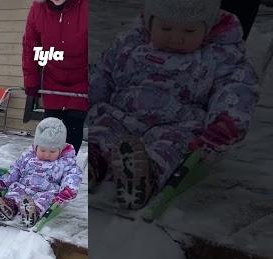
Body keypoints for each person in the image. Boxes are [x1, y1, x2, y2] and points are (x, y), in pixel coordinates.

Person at [88, 0, 259, 209]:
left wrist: (225, 123)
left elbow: (236, 88)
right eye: (166, 28)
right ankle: (92, 163)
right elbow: (104, 72)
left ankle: (144, 176)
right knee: (100, 131)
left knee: (171, 147)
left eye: (189, 30)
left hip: (177, 124)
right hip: (120, 114)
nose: (176, 38)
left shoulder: (220, 54)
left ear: (207, 27)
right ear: (150, 22)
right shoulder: (132, 42)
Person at [0, 117, 82, 227]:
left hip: (47, 191)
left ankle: (33, 213)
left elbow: (73, 176)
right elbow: (16, 169)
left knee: (46, 199)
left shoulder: (65, 162)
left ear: (60, 150)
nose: (47, 154)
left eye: (52, 151)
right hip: (24, 187)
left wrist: (67, 190)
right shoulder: (28, 156)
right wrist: (4, 182)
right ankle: (8, 207)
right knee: (15, 191)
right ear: (36, 146)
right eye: (42, 150)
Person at [22, 0, 88, 153]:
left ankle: (67, 169)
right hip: (53, 79)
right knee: (50, 130)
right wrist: (31, 80)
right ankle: (46, 171)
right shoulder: (38, 9)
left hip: (82, 80)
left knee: (73, 126)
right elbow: (31, 47)